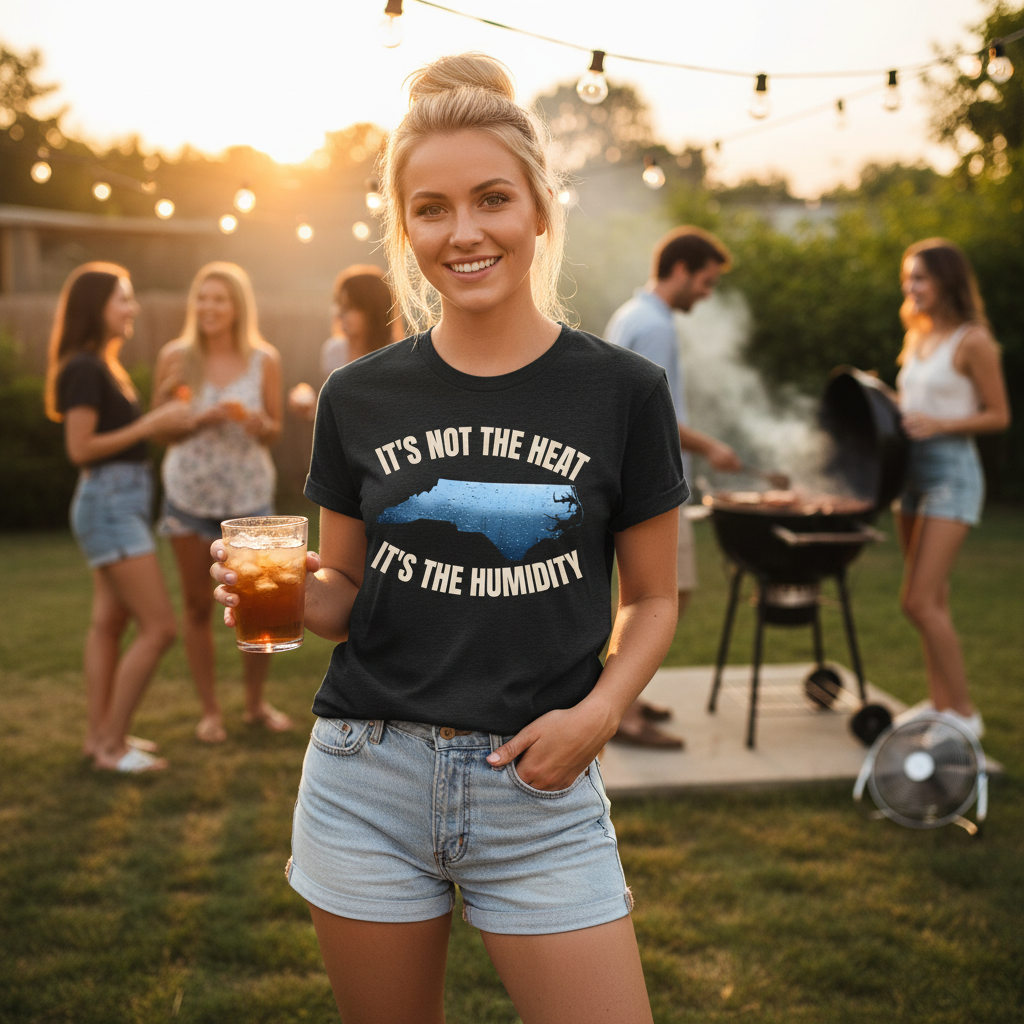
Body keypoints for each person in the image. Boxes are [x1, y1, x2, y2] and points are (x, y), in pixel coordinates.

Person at [211, 53, 685, 1024]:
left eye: (492, 199)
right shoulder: (357, 395)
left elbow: (653, 596)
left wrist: (599, 714)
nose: (463, 232)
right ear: (405, 228)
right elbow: (343, 597)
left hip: (539, 787)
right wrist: (291, 590)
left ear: (540, 209)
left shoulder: (623, 392)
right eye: (430, 209)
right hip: (365, 777)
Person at [44, 262, 191, 772]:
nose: (133, 308)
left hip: (115, 502)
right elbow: (81, 448)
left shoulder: (103, 366)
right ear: (96, 307)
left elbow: (121, 435)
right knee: (160, 628)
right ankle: (111, 747)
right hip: (109, 505)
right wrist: (151, 423)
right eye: (123, 299)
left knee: (108, 624)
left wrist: (159, 408)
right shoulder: (85, 368)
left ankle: (100, 738)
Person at [605, 226, 743, 748]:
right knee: (658, 600)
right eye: (706, 282)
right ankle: (620, 712)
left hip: (631, 480)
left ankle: (627, 701)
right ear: (681, 270)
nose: (706, 294)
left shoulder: (630, 315)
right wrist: (711, 447)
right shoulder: (655, 326)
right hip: (651, 485)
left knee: (641, 597)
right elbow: (656, 419)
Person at [153, 262, 291, 743]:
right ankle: (210, 711)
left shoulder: (264, 359)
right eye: (202, 297)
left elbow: (274, 430)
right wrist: (197, 420)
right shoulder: (176, 357)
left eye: (219, 299)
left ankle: (254, 704)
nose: (208, 307)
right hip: (188, 498)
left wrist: (259, 424)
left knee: (258, 606)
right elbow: (160, 427)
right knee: (197, 606)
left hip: (248, 501)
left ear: (237, 307)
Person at [894, 238, 1010, 739]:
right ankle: (940, 705)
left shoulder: (972, 340)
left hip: (951, 475)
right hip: (910, 477)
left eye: (920, 278)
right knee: (932, 601)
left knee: (917, 602)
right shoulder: (918, 335)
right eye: (907, 278)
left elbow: (999, 415)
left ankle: (964, 716)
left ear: (947, 281)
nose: (910, 287)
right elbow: (911, 408)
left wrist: (940, 424)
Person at [287, 265, 399, 420]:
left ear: (374, 311)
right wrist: (311, 409)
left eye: (350, 307)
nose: (340, 313)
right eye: (340, 304)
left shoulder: (396, 357)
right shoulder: (333, 351)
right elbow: (334, 412)